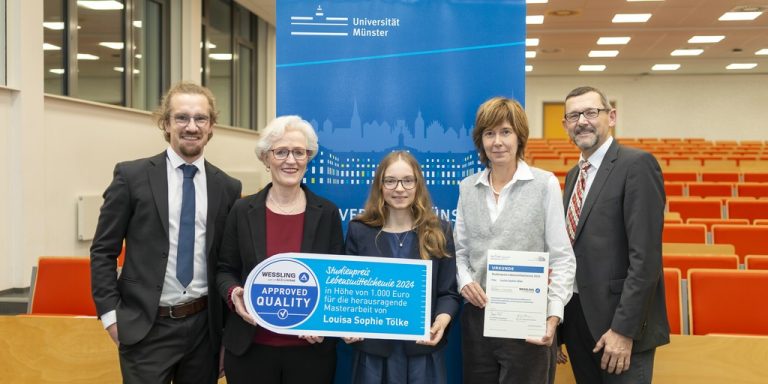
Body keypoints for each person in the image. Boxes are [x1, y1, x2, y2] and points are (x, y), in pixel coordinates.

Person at [90, 81, 242, 383]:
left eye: (200, 118)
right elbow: (103, 251)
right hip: (146, 328)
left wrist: (226, 335)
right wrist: (110, 317)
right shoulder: (131, 177)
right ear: (166, 123)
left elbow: (227, 263)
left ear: (211, 126)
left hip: (204, 333)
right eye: (181, 117)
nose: (191, 126)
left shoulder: (227, 187)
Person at [454, 96, 576, 383]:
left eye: (505, 132)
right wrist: (465, 281)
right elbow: (460, 253)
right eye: (489, 133)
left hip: (528, 320)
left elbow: (562, 257)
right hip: (478, 320)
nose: (497, 141)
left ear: (520, 136)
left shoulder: (544, 184)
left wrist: (553, 315)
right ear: (480, 140)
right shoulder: (467, 188)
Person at [216, 115, 344, 384]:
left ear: (308, 157)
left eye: (299, 152)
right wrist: (233, 294)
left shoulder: (327, 213)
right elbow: (225, 269)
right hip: (251, 349)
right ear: (266, 158)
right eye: (281, 151)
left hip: (310, 352)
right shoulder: (242, 210)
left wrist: (324, 321)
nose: (291, 160)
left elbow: (336, 278)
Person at [560, 86, 669, 384]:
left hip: (618, 325)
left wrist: (624, 329)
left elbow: (645, 260)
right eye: (573, 115)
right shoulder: (573, 176)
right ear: (565, 125)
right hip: (578, 321)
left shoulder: (637, 165)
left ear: (611, 117)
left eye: (591, 112)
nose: (582, 121)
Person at [343, 151, 460, 384]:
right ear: (380, 185)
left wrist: (441, 321)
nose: (399, 188)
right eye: (390, 181)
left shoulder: (439, 231)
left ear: (418, 185)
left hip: (422, 353)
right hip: (374, 355)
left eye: (408, 180)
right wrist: (347, 324)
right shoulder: (359, 230)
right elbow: (347, 293)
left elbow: (449, 293)